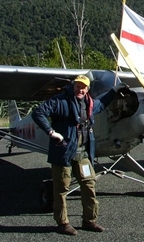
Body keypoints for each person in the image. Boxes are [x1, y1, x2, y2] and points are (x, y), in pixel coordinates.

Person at [32, 74, 127, 235]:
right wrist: (51, 132)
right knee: (61, 189)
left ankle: (89, 221)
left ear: (87, 89)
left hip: (83, 154)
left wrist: (114, 90)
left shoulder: (90, 103)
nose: (80, 89)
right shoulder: (60, 100)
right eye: (77, 86)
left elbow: (102, 104)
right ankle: (63, 223)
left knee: (89, 185)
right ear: (73, 86)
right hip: (64, 154)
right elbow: (38, 113)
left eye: (83, 87)